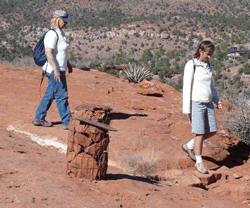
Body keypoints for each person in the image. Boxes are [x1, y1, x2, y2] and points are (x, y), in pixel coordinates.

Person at [181, 40, 222, 174]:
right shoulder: (191, 64)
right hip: (196, 103)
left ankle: (189, 146)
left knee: (212, 131)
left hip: (208, 102)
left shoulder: (207, 65)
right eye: (208, 54)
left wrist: (217, 99)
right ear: (201, 50)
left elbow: (211, 85)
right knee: (200, 133)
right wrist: (186, 109)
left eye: (211, 54)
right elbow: (187, 87)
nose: (209, 56)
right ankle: (199, 162)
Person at [33, 10, 73, 130]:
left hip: (60, 68)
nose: (66, 23)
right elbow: (48, 52)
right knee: (62, 95)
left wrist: (68, 64)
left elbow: (60, 52)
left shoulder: (61, 33)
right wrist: (55, 69)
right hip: (54, 70)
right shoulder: (52, 34)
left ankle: (39, 118)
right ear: (58, 20)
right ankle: (67, 122)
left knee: (50, 95)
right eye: (64, 21)